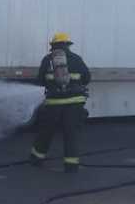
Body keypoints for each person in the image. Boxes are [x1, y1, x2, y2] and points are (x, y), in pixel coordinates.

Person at [29, 33, 91, 173]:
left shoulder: (47, 60)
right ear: (67, 45)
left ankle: (36, 160)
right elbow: (87, 78)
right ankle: (71, 165)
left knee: (46, 132)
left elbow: (40, 81)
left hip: (54, 103)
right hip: (75, 103)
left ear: (53, 46)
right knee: (71, 134)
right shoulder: (76, 59)